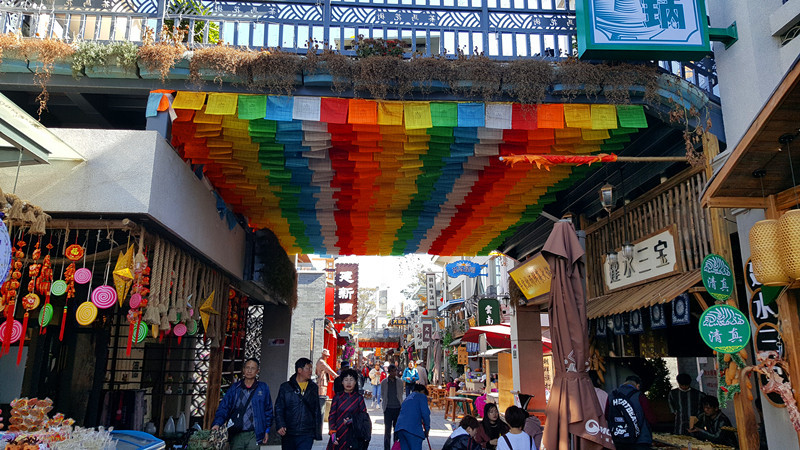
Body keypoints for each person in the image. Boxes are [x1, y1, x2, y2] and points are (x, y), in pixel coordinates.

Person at [211, 358, 273, 450]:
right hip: (237, 432)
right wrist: (217, 423)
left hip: (254, 433)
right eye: (247, 367)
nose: (249, 370)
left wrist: (267, 430)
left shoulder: (263, 388)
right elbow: (224, 407)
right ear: (243, 369)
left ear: (257, 371)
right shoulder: (235, 388)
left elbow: (268, 410)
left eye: (252, 368)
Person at [275, 358, 323, 450]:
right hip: (289, 432)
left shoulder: (313, 387)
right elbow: (279, 407)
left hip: (307, 432)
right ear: (299, 370)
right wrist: (280, 424)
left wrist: (317, 432)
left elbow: (316, 409)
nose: (310, 371)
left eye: (311, 369)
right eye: (308, 368)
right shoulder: (285, 387)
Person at [606, 375, 656, 450]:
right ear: (637, 385)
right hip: (640, 440)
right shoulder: (639, 396)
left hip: (618, 438)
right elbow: (649, 417)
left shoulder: (612, 395)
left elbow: (607, 415)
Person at [327, 368, 369, 450]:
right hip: (339, 434)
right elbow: (332, 416)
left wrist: (352, 421)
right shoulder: (337, 397)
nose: (348, 382)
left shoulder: (359, 398)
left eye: (351, 380)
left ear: (355, 382)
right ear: (342, 382)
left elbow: (363, 417)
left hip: (353, 436)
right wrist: (332, 433)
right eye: (346, 380)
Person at [395, 384, 431, 450]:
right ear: (422, 391)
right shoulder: (421, 396)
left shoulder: (408, 398)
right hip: (413, 429)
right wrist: (427, 429)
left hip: (400, 428)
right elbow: (425, 413)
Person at [381, 364, 405, 450]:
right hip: (387, 408)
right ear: (389, 372)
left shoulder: (400, 382)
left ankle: (395, 447)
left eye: (395, 371)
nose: (394, 373)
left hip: (397, 408)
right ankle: (386, 448)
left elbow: (401, 393)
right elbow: (383, 394)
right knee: (387, 430)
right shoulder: (384, 382)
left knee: (397, 429)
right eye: (392, 371)